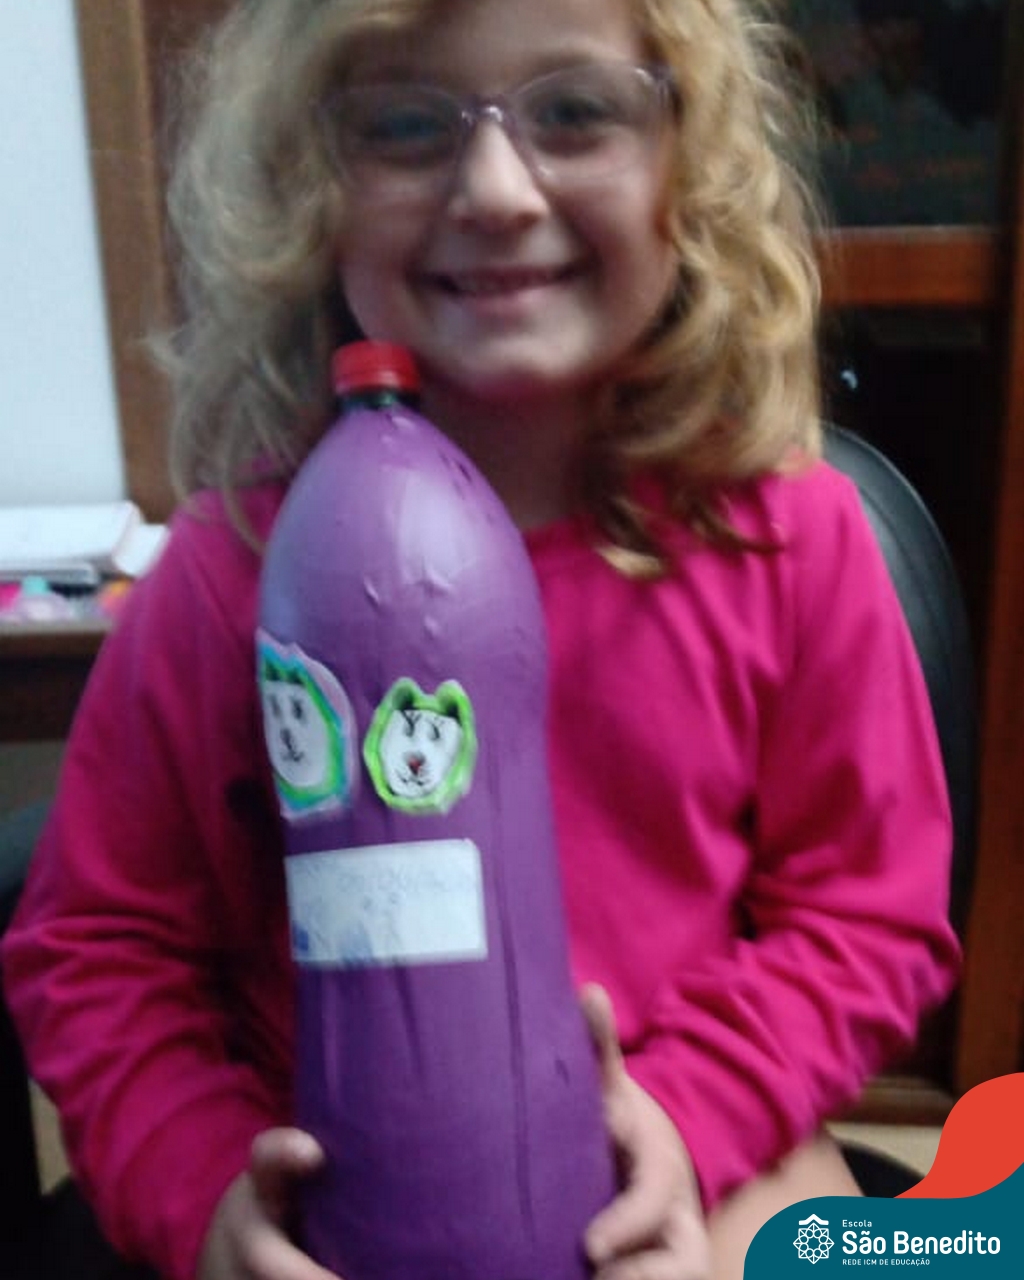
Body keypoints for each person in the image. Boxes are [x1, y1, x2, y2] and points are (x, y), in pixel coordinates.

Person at [2, 1, 960, 1278]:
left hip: (687, 1151)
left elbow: (866, 916)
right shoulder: (234, 571)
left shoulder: (792, 538)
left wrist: (689, 1117)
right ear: (310, 191)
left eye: (575, 112)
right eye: (406, 125)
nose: (497, 190)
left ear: (687, 165)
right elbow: (98, 949)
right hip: (342, 1206)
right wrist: (205, 1190)